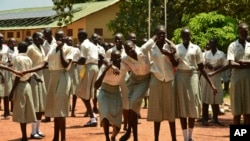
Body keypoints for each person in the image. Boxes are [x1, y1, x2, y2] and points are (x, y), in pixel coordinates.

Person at [22, 30, 73, 141]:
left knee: (61, 110)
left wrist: (61, 51)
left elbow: (65, 65)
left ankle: (63, 138)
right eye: (58, 36)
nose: (60, 38)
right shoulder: (51, 49)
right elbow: (43, 64)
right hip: (52, 77)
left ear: (65, 37)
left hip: (63, 76)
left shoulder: (70, 49)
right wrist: (27, 71)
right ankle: (55, 137)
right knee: (55, 109)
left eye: (62, 36)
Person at [174, 27, 217, 141]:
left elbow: (201, 68)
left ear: (190, 36)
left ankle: (190, 136)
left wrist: (211, 84)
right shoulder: (176, 48)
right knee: (182, 106)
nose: (186, 37)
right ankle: (185, 137)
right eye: (184, 35)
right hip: (180, 76)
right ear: (181, 36)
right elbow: (173, 64)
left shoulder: (196, 48)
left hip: (193, 75)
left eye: (188, 35)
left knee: (193, 106)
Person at [141, 25, 178, 141]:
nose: (162, 35)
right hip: (156, 79)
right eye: (159, 33)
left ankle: (174, 139)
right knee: (157, 111)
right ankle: (156, 138)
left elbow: (175, 63)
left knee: (170, 111)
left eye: (164, 33)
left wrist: (168, 54)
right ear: (156, 34)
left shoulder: (170, 46)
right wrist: (153, 38)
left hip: (169, 80)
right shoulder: (151, 47)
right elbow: (142, 49)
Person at [209, 23, 250, 125]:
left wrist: (241, 62)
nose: (244, 33)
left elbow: (236, 63)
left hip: (248, 79)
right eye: (242, 31)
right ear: (238, 32)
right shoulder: (232, 46)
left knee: (248, 111)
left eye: (246, 31)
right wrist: (246, 63)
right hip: (236, 79)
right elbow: (231, 63)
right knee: (237, 111)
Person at [119, 40, 151, 141]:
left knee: (133, 103)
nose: (130, 51)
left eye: (131, 48)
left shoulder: (143, 51)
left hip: (145, 79)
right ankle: (133, 136)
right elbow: (120, 67)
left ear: (135, 46)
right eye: (127, 50)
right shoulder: (125, 58)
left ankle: (129, 132)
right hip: (133, 79)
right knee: (132, 108)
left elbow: (154, 38)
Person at [8, 41, 37, 141]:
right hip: (27, 85)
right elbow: (30, 74)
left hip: (19, 86)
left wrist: (12, 91)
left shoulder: (17, 58)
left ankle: (24, 136)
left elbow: (17, 76)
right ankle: (26, 134)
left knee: (21, 112)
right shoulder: (29, 59)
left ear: (19, 49)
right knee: (26, 110)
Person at [95, 50, 124, 141]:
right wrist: (106, 69)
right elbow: (96, 85)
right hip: (104, 91)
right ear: (111, 59)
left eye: (119, 58)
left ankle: (113, 136)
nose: (118, 60)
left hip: (116, 92)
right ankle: (107, 138)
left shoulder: (123, 66)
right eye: (115, 58)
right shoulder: (105, 66)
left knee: (118, 126)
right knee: (105, 115)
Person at [105, 33, 129, 131]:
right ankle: (113, 122)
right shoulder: (110, 51)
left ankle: (126, 124)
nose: (118, 41)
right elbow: (106, 62)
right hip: (113, 78)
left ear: (123, 40)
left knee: (126, 102)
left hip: (124, 77)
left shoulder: (127, 51)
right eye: (116, 39)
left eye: (120, 39)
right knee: (113, 99)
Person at [75, 30, 99, 127]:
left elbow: (83, 59)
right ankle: (93, 115)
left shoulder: (83, 45)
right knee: (88, 93)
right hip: (95, 67)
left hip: (89, 67)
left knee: (81, 92)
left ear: (80, 37)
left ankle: (92, 117)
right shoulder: (92, 44)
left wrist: (73, 62)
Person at [200, 38, 227, 126]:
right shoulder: (206, 54)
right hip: (206, 77)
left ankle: (215, 118)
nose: (211, 45)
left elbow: (225, 65)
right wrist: (207, 64)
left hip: (216, 77)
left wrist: (218, 67)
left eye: (213, 43)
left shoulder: (221, 54)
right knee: (205, 97)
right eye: (210, 44)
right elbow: (201, 65)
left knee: (215, 98)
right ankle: (205, 118)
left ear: (216, 44)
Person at [26, 32, 47, 139]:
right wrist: (33, 74)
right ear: (34, 38)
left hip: (41, 77)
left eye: (43, 37)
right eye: (40, 37)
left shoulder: (41, 48)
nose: (42, 39)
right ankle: (33, 131)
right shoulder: (30, 48)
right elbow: (27, 64)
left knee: (41, 105)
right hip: (33, 78)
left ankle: (38, 129)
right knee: (35, 104)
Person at [42, 27, 57, 123]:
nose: (46, 36)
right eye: (45, 35)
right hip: (47, 70)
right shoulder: (44, 44)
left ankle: (56, 114)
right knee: (47, 92)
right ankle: (47, 115)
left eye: (47, 34)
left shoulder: (57, 43)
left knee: (55, 92)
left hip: (56, 70)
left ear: (51, 34)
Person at [65, 36, 80, 117]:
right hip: (66, 71)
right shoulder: (64, 49)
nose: (69, 42)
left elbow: (78, 60)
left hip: (74, 70)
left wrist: (72, 61)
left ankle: (73, 110)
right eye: (68, 40)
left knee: (74, 92)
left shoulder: (76, 50)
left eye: (71, 40)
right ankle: (67, 108)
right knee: (66, 91)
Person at [90, 33, 106, 114]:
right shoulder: (89, 48)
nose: (95, 39)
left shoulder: (101, 48)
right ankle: (94, 106)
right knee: (93, 90)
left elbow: (104, 59)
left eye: (96, 38)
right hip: (92, 70)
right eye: (94, 38)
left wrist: (100, 57)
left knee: (99, 89)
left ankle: (100, 106)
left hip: (100, 69)